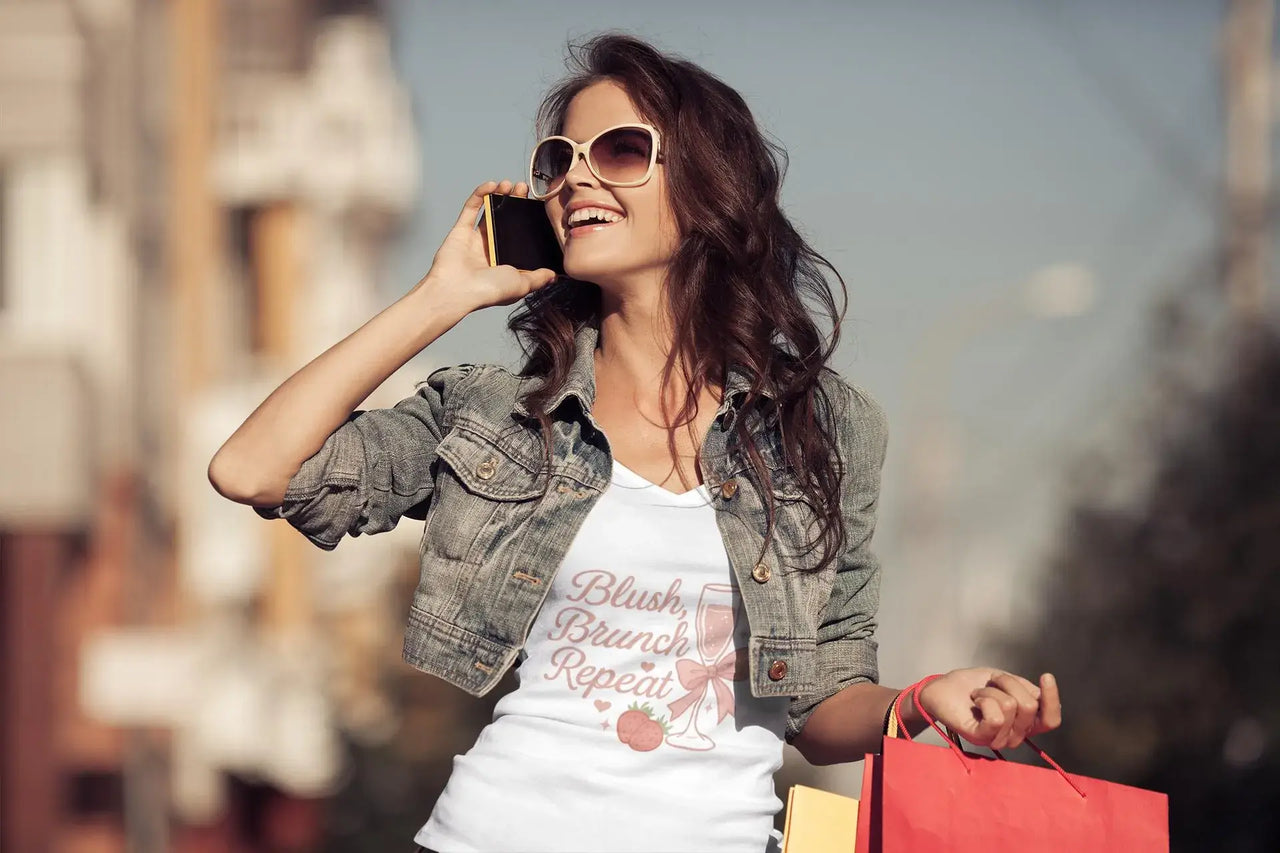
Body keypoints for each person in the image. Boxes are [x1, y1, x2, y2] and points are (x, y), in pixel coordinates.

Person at [209, 33, 1062, 853]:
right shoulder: (501, 413)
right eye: (559, 160)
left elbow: (820, 704)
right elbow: (251, 468)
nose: (576, 178)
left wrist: (923, 700)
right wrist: (439, 297)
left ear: (703, 186)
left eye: (618, 150)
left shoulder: (824, 428)